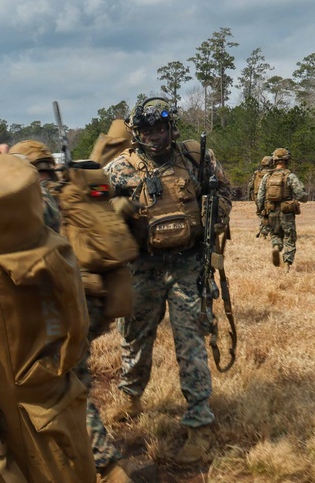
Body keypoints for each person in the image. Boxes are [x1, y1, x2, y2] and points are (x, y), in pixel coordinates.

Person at [103, 97, 232, 465]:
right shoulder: (119, 170)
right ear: (136, 132)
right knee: (134, 334)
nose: (155, 136)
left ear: (171, 127)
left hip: (188, 263)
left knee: (190, 339)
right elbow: (97, 216)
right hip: (143, 266)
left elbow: (223, 192)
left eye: (161, 128)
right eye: (147, 130)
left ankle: (199, 424)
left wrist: (213, 217)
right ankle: (131, 396)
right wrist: (116, 214)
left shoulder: (195, 157)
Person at [8, 140, 132, 482]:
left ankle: (106, 466)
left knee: (67, 387)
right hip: (92, 301)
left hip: (61, 308)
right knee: (78, 379)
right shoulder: (73, 191)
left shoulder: (35, 200)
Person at [256, 148, 308, 273]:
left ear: (274, 161)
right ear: (287, 160)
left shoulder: (267, 177)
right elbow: (301, 195)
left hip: (272, 211)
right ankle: (287, 265)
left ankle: (276, 247)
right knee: (289, 237)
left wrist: (261, 211)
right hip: (287, 212)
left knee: (276, 234)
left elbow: (260, 196)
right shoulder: (290, 176)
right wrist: (304, 196)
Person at [249, 155, 274, 239]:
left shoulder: (257, 173)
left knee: (262, 216)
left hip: (258, 198)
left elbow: (250, 186)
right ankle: (268, 232)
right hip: (270, 199)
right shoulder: (273, 173)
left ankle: (263, 231)